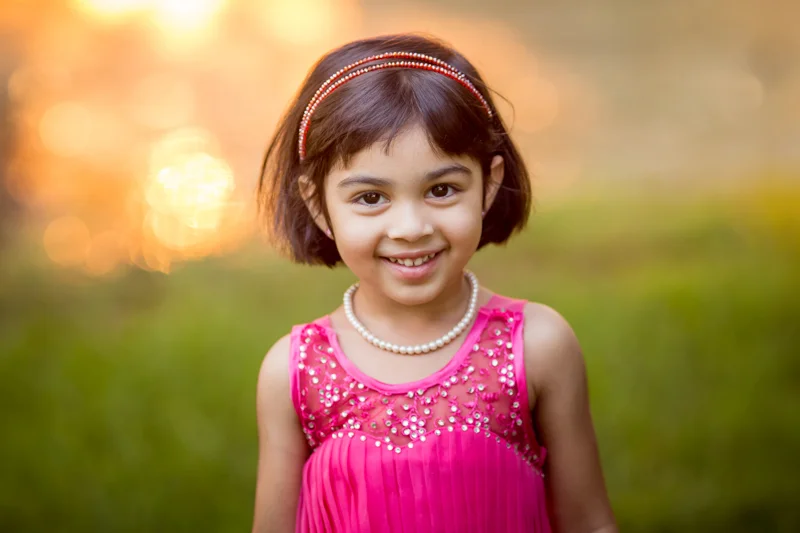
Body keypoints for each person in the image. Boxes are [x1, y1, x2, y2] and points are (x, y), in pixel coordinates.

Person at [252, 33, 617, 533]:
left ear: (488, 184)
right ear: (318, 204)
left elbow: (589, 523)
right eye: (370, 197)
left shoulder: (537, 346)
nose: (410, 227)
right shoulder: (292, 374)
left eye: (441, 190)